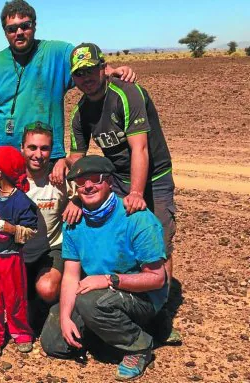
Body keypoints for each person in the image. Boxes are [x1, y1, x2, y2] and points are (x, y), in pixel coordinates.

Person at [0, 0, 136, 181]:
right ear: (5, 32)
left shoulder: (57, 53)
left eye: (25, 26)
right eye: (12, 29)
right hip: (9, 156)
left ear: (34, 26)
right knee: (10, 206)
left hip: (49, 156)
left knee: (50, 207)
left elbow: (85, 61)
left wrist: (112, 71)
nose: (19, 32)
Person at [40, 156, 168, 381]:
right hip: (101, 293)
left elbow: (157, 279)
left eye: (95, 179)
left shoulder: (137, 218)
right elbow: (70, 276)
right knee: (54, 342)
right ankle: (113, 330)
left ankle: (138, 346)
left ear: (109, 181)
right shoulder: (73, 222)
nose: (88, 186)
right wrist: (65, 318)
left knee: (90, 301)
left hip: (142, 296)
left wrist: (110, 280)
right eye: (80, 182)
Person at [65, 42, 176, 282]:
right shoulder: (80, 113)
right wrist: (74, 196)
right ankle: (128, 291)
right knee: (118, 233)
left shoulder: (127, 94)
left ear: (104, 68)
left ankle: (162, 304)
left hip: (155, 177)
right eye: (79, 73)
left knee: (159, 239)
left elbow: (140, 148)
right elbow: (76, 160)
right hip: (118, 178)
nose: (86, 78)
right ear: (73, 78)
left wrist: (136, 192)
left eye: (91, 69)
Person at [0, 146, 38, 358]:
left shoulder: (21, 201)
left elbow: (31, 231)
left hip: (10, 258)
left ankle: (20, 332)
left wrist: (11, 229)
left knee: (15, 297)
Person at [20, 122, 81, 313]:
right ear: (22, 148)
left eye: (44, 148)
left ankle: (53, 305)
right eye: (32, 147)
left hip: (51, 248)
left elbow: (87, 193)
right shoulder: (10, 179)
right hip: (19, 250)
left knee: (46, 289)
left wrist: (76, 201)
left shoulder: (59, 178)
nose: (38, 154)